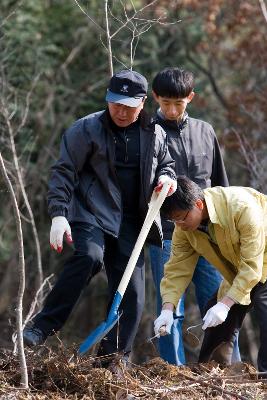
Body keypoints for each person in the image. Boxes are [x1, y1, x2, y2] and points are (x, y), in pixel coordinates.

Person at [23, 69, 177, 364]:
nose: (120, 111)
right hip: (92, 213)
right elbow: (64, 172)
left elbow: (166, 163)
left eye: (128, 106)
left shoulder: (154, 132)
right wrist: (59, 214)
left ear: (142, 103)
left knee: (132, 295)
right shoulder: (86, 129)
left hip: (133, 221)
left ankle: (111, 363)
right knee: (89, 256)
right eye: (115, 103)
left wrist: (167, 178)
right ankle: (42, 327)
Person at [149, 67, 240, 365]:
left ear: (191, 97)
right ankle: (171, 374)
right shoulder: (147, 132)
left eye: (179, 103)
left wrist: (229, 232)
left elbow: (221, 184)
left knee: (217, 303)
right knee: (169, 306)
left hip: (209, 235)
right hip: (165, 234)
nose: (172, 110)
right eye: (165, 104)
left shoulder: (205, 131)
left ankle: (227, 373)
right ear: (155, 98)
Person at [154, 176, 267, 373]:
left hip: (259, 262)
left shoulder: (241, 208)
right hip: (244, 272)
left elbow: (252, 266)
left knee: (263, 303)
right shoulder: (185, 228)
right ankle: (215, 374)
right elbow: (176, 269)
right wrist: (167, 309)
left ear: (198, 204)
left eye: (181, 217)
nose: (178, 225)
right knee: (214, 312)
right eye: (174, 220)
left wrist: (225, 304)